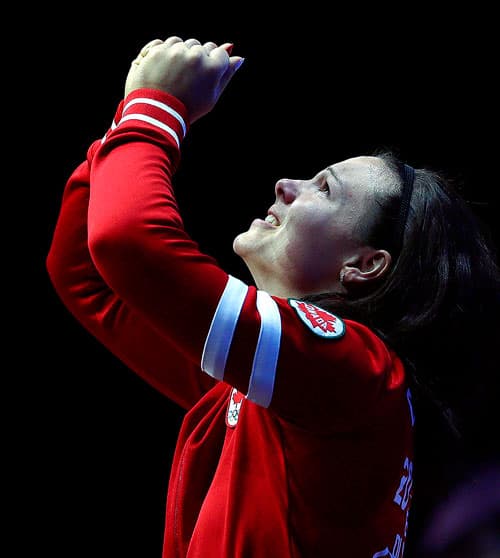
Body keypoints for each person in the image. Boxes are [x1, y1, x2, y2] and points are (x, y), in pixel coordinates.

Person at [46, 35, 500, 558]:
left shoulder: (352, 371)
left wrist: (156, 106)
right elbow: (85, 271)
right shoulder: (292, 390)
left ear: (365, 265)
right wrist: (134, 113)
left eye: (324, 189)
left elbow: (126, 242)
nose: (286, 183)